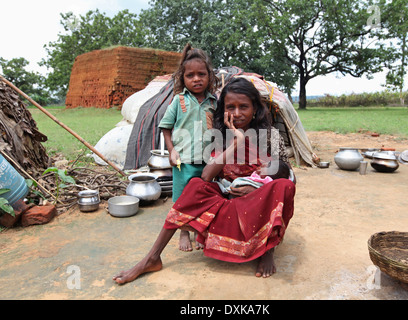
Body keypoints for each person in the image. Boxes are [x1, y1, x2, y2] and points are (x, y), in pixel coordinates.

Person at [113, 77, 296, 284]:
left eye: (243, 107)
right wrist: (236, 142)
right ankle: (152, 257)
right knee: (195, 186)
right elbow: (208, 176)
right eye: (231, 107)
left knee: (285, 186)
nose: (237, 113)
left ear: (255, 108)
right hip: (228, 197)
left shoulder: (270, 135)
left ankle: (267, 251)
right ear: (224, 110)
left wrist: (256, 189)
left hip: (258, 199)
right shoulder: (221, 134)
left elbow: (286, 174)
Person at [158, 43, 218, 252]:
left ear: (209, 76)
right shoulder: (179, 100)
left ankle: (199, 231)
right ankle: (183, 231)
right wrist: (172, 150)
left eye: (201, 74)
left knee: (204, 197)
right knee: (183, 198)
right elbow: (165, 127)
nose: (196, 79)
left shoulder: (213, 102)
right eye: (190, 75)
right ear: (182, 78)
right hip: (184, 161)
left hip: (208, 162)